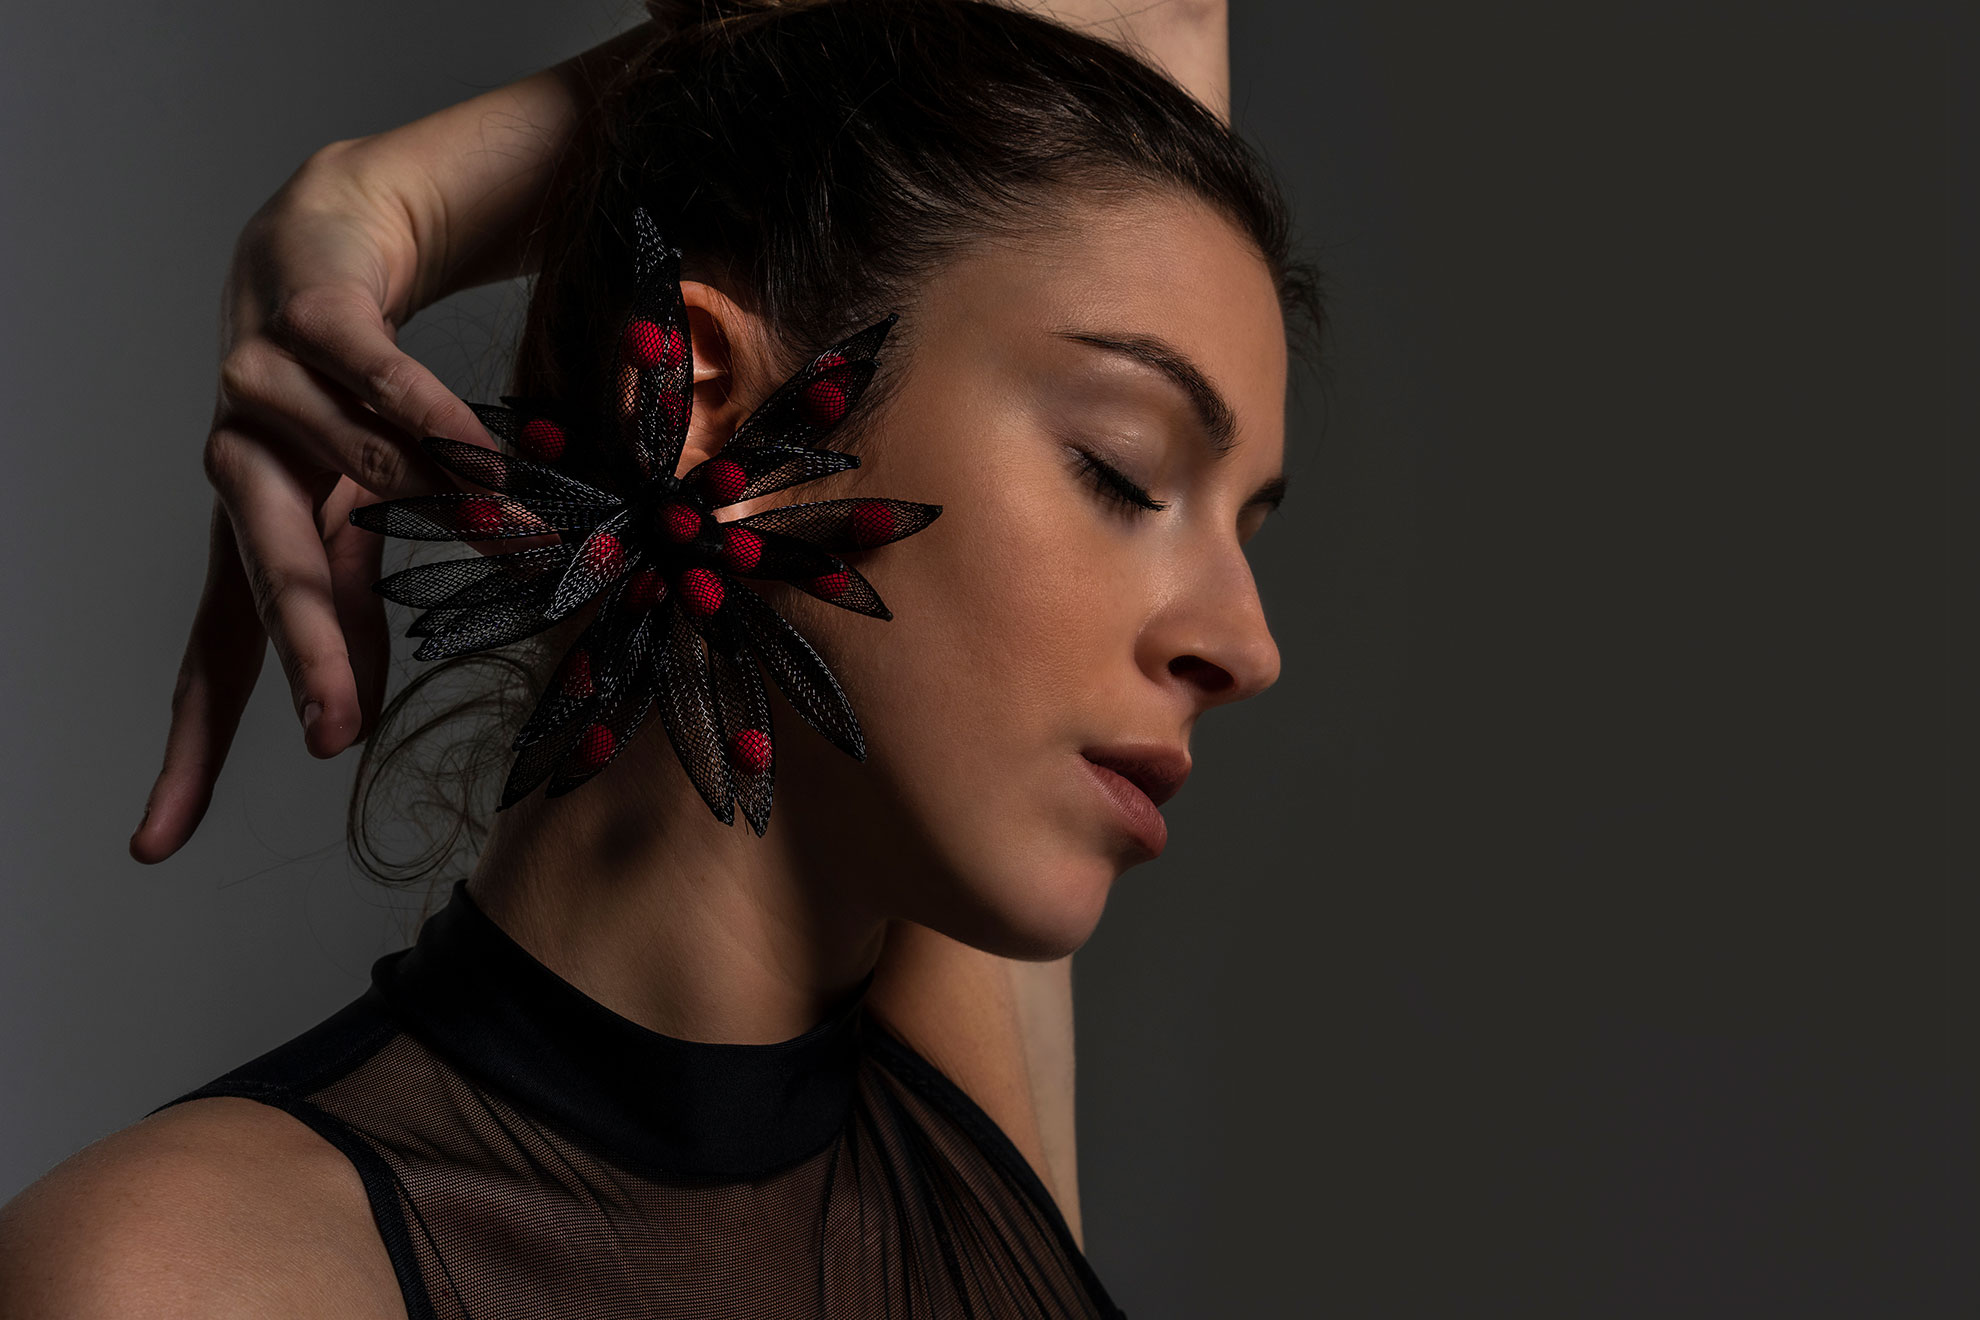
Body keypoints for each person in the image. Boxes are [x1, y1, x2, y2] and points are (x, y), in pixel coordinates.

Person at [0, 0, 1317, 1313]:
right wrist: (386, 204)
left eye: (1243, 528)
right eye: (1122, 470)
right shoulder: (193, 1281)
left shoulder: (955, 1158)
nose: (1248, 644)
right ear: (703, 396)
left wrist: (400, 197)